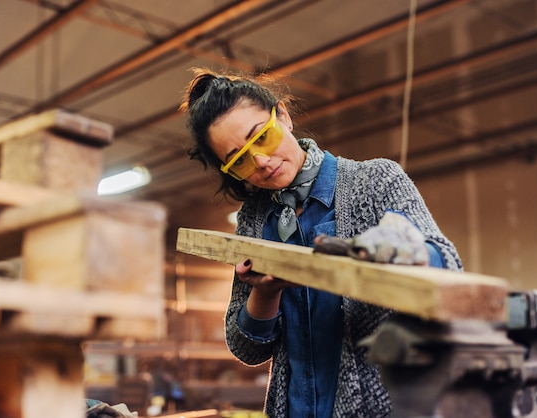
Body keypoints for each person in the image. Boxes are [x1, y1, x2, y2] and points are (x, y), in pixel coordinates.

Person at [180, 68, 462, 418]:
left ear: (282, 115)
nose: (261, 162)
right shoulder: (254, 218)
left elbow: (449, 267)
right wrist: (265, 293)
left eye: (262, 138)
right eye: (239, 161)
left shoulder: (376, 181)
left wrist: (408, 252)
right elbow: (247, 348)